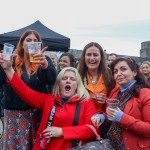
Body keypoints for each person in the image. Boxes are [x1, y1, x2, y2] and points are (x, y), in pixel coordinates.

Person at [0, 51, 99, 150]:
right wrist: (8, 69)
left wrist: (62, 131)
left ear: (77, 85)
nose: (68, 80)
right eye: (64, 78)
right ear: (59, 84)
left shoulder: (86, 102)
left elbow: (92, 129)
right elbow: (25, 92)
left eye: (72, 79)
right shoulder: (48, 100)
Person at [0, 29, 57, 150]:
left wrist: (45, 65)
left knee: (34, 145)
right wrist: (3, 66)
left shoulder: (43, 59)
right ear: (22, 44)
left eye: (35, 41)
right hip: (13, 113)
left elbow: (52, 80)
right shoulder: (11, 59)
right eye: (28, 40)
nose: (32, 43)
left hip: (35, 114)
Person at [91, 57, 150, 150]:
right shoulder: (115, 91)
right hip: (112, 143)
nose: (119, 74)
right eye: (115, 71)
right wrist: (101, 116)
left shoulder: (146, 94)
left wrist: (122, 117)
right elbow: (112, 113)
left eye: (123, 69)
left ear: (134, 72)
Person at [78, 42, 115, 113]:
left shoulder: (111, 75)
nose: (92, 58)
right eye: (88, 54)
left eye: (95, 55)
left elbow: (119, 101)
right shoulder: (78, 75)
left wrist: (106, 100)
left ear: (101, 57)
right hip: (82, 118)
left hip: (104, 119)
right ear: (84, 57)